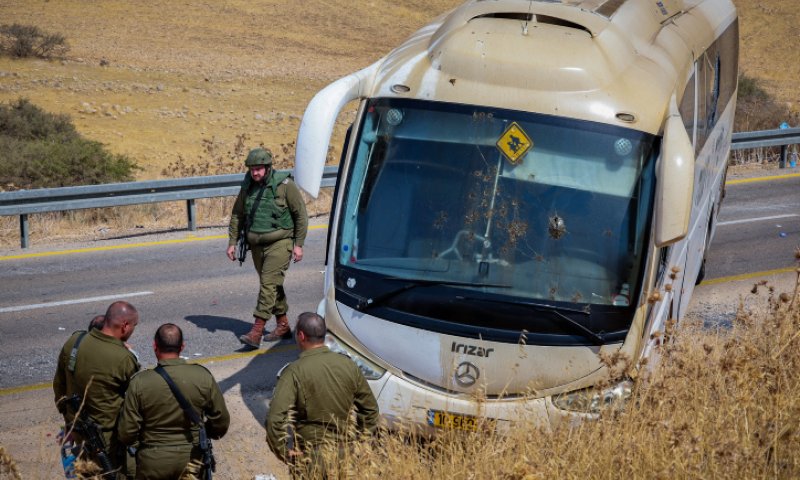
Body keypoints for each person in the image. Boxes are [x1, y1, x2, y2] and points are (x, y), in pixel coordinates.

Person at [266, 312, 379, 478]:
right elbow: (370, 410)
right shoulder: (348, 365)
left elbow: (274, 419)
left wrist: (284, 452)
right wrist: (359, 442)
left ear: (301, 335)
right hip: (345, 455)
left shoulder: (293, 372)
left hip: (309, 458)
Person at [117, 323, 230, 480]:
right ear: (182, 346)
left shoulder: (140, 382)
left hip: (153, 460)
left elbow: (126, 433)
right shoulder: (202, 376)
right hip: (193, 456)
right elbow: (221, 421)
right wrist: (204, 434)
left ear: (155, 346)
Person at [226, 147, 308, 348]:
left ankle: (256, 331)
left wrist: (298, 245)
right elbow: (238, 215)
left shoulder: (285, 185)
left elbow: (301, 215)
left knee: (268, 285)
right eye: (252, 169)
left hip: (280, 242)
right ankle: (283, 325)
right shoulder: (248, 187)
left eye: (259, 169)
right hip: (256, 245)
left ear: (268, 168)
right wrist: (232, 242)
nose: (255, 173)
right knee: (271, 284)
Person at [53, 301, 141, 478]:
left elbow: (59, 386)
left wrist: (69, 420)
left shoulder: (74, 342)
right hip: (108, 443)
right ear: (125, 326)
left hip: (78, 432)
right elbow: (137, 402)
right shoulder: (123, 358)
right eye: (133, 326)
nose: (133, 330)